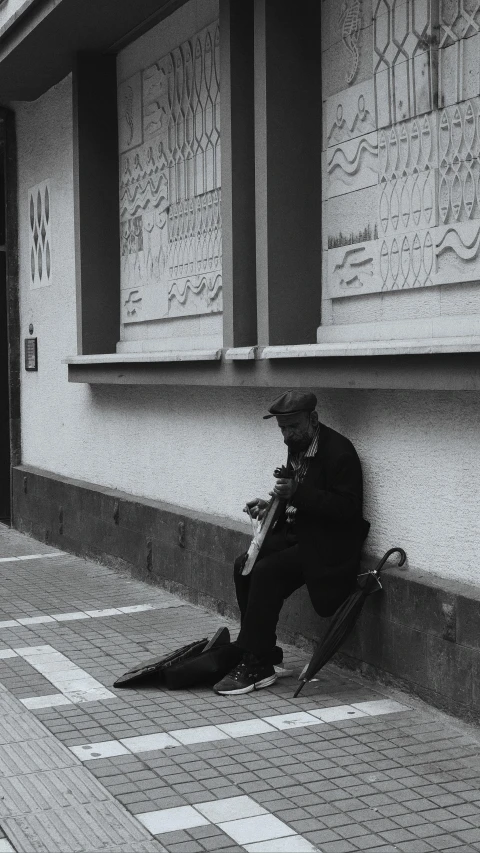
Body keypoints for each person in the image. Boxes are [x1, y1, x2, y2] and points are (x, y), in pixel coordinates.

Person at [213, 390, 370, 696]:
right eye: (282, 429)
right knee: (245, 565)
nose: (287, 435)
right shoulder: (298, 445)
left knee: (268, 572)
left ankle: (256, 664)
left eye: (293, 427)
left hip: (329, 544)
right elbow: (296, 495)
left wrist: (295, 493)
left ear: (313, 419)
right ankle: (264, 652)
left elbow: (346, 510)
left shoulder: (340, 453)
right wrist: (271, 506)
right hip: (300, 534)